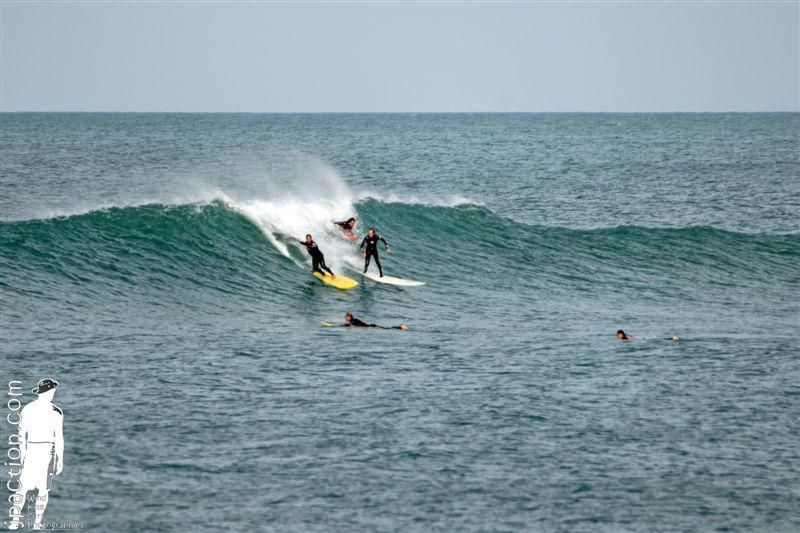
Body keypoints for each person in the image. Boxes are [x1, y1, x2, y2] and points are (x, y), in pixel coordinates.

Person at [9, 378, 64, 531]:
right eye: (52, 390)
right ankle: (35, 522)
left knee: (27, 488)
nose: (53, 393)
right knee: (39, 490)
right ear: (47, 392)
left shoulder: (28, 409)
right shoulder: (55, 412)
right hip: (45, 451)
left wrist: (22, 454)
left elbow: (21, 435)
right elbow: (58, 437)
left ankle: (18, 521)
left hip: (36, 450)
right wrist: (60, 459)